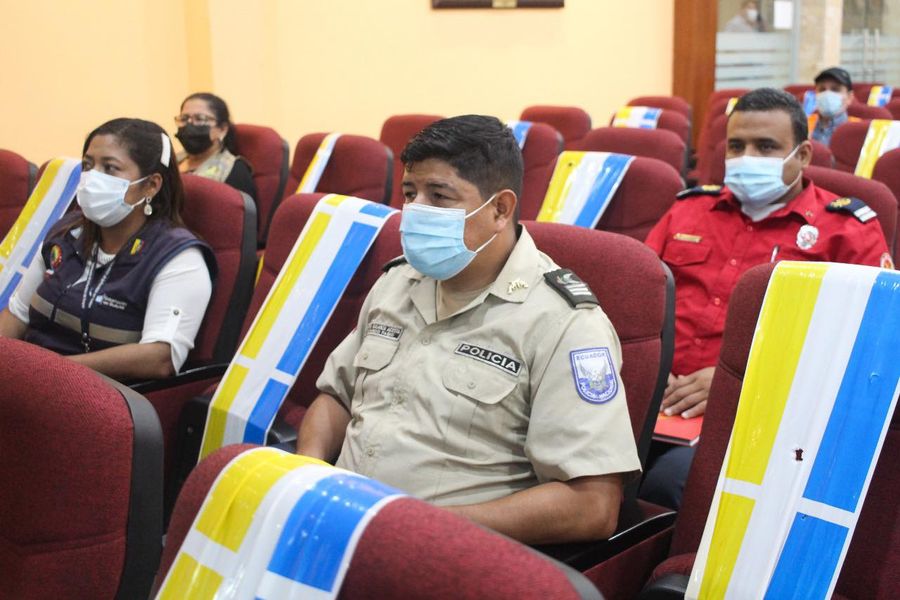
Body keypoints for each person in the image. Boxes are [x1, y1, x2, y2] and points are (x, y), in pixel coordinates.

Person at [296, 115, 640, 544]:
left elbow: (592, 507)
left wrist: (419, 526)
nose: (415, 211)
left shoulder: (564, 322)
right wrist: (306, 473)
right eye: (410, 194)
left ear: (500, 209)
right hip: (337, 524)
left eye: (439, 196)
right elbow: (337, 396)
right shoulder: (397, 282)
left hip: (447, 549)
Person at [641, 88, 891, 508]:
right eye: (737, 146)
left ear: (803, 154)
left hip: (764, 408)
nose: (747, 158)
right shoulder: (687, 210)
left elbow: (866, 350)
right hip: (659, 394)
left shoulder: (848, 230)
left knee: (668, 481)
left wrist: (740, 379)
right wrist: (650, 363)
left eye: (766, 146)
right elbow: (640, 304)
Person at [0, 118, 216, 381]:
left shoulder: (179, 257)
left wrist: (48, 371)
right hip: (27, 378)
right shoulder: (66, 232)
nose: (92, 178)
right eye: (88, 165)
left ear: (151, 185)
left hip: (97, 393)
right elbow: (17, 314)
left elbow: (159, 357)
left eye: (110, 168)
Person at [176, 92, 257, 201]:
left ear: (222, 129)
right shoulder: (172, 160)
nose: (189, 124)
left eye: (200, 119)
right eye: (184, 118)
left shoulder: (234, 170)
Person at [809, 67, 858, 146]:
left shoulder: (859, 129)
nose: (827, 94)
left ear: (849, 97)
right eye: (822, 89)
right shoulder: (803, 124)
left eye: (835, 89)